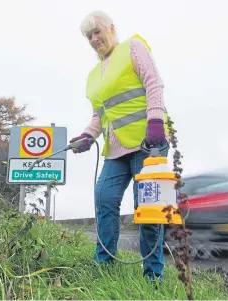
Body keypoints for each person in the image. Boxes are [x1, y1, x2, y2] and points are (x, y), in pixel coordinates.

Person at [70, 10, 171, 281]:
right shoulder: (93, 76)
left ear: (111, 28)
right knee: (104, 197)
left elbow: (154, 84)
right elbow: (99, 114)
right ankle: (104, 263)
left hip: (148, 142)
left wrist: (156, 123)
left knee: (148, 208)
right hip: (115, 149)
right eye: (88, 36)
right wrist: (88, 136)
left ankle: (153, 275)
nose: (94, 38)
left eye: (97, 31)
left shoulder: (133, 48)